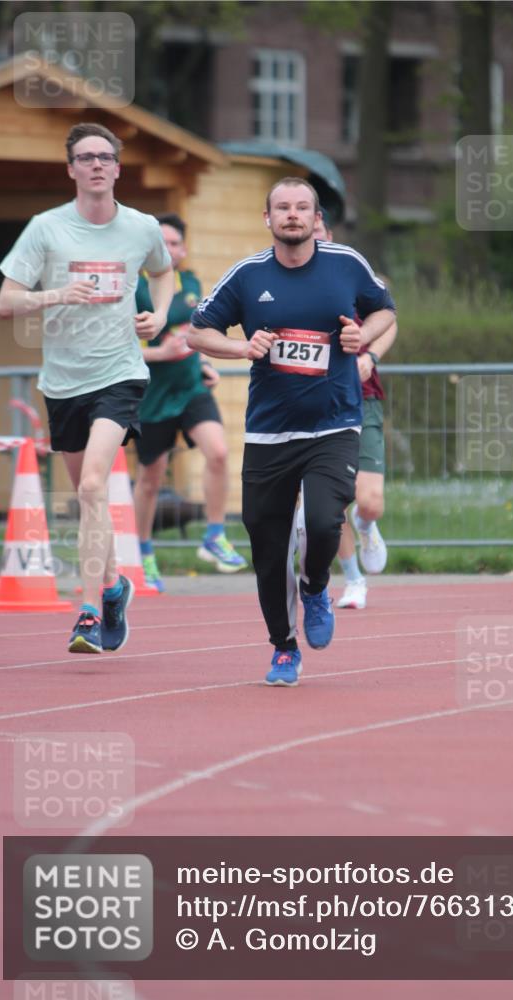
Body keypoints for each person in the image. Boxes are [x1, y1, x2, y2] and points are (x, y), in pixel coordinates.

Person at [187, 177, 395, 686]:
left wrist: (361, 337)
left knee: (325, 522)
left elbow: (386, 310)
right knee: (267, 543)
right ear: (268, 218)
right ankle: (283, 646)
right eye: (283, 207)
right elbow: (197, 330)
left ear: (314, 216)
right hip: (270, 433)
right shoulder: (247, 275)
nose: (293, 215)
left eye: (302, 207)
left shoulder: (347, 263)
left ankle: (317, 585)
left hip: (335, 423)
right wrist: (242, 348)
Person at [0, 122, 173, 654]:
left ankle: (90, 612)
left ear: (117, 168)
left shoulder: (142, 227)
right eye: (86, 157)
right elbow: (6, 301)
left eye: (104, 157)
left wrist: (159, 315)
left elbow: (163, 271)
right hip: (63, 382)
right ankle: (117, 586)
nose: (96, 165)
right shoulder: (46, 229)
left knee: (94, 486)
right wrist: (56, 294)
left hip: (119, 374)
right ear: (71, 169)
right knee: (84, 496)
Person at [133, 213, 247, 589]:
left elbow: (195, 334)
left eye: (175, 243)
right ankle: (143, 553)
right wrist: (158, 355)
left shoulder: (193, 283)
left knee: (218, 452)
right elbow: (117, 350)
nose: (169, 250)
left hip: (191, 388)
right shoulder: (133, 287)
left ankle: (214, 535)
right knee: (151, 476)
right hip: (151, 395)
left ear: (184, 249)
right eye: (162, 242)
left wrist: (204, 363)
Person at [309, 217, 397, 610]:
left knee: (370, 501)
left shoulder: (352, 273)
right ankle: (354, 580)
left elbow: (390, 319)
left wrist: (371, 354)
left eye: (317, 233)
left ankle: (366, 525)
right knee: (331, 504)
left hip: (363, 399)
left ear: (327, 234)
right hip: (315, 405)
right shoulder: (280, 281)